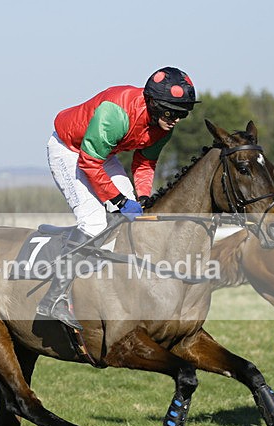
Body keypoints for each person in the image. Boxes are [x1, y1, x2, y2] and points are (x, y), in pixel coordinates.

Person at [39, 67, 199, 329]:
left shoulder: (163, 126)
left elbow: (145, 163)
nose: (178, 119)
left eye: (184, 113)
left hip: (104, 154)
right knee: (94, 223)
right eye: (174, 112)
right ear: (155, 104)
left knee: (131, 221)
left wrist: (143, 196)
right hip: (70, 151)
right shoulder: (116, 114)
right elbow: (89, 163)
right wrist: (120, 201)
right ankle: (53, 298)